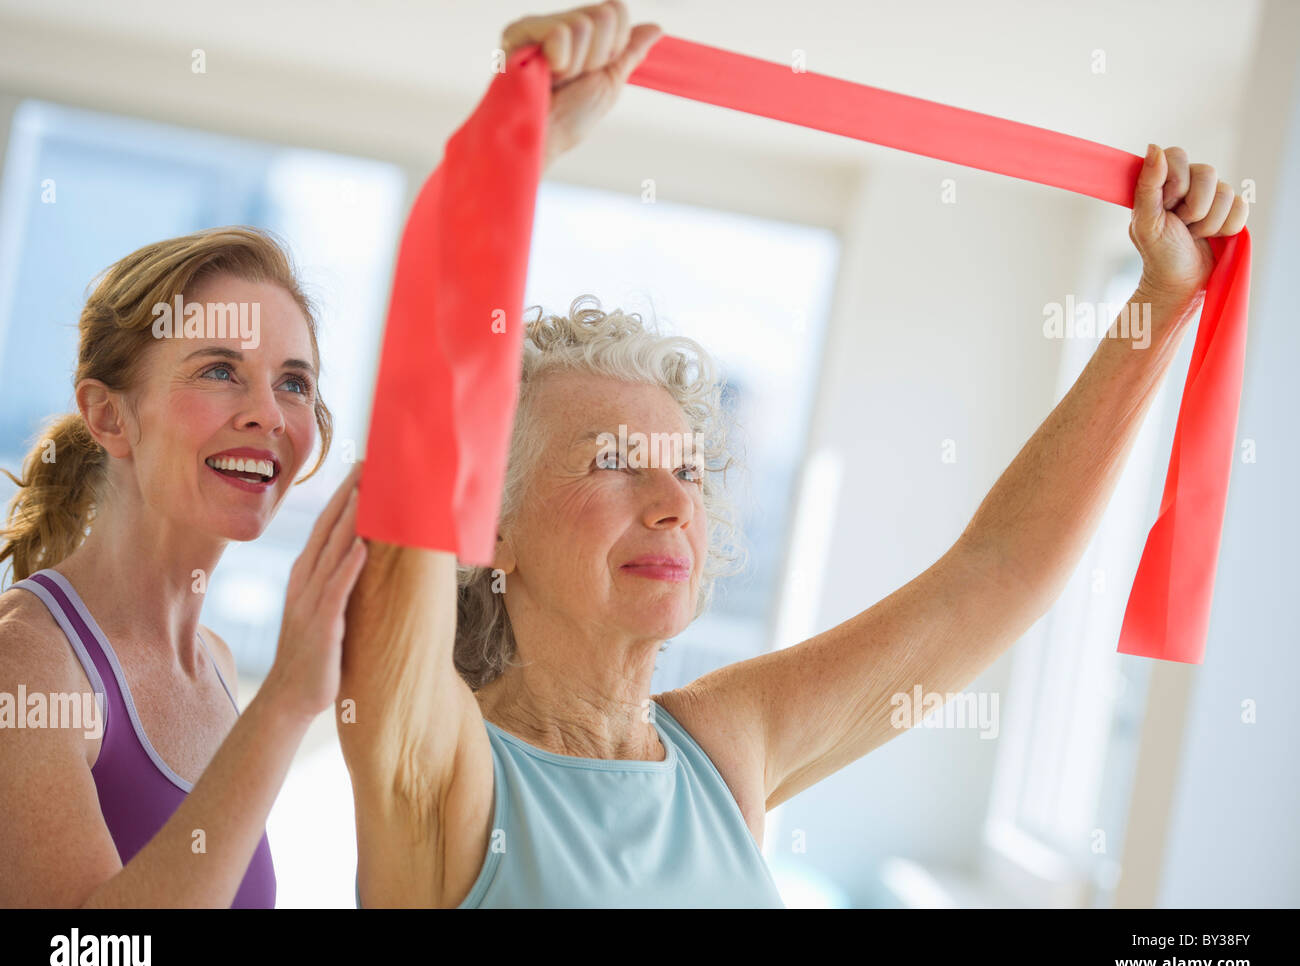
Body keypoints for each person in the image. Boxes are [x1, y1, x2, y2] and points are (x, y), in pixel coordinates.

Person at [337, 2, 1250, 907]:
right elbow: (418, 446)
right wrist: (510, 151)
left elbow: (997, 574)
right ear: (488, 526)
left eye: (688, 470)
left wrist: (1163, 304)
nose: (671, 504)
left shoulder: (724, 748)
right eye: (614, 461)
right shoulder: (441, 766)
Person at [0, 227, 368, 907]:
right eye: (220, 371)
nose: (268, 415)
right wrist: (285, 705)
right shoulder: (25, 661)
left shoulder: (218, 668)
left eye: (293, 383)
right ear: (109, 417)